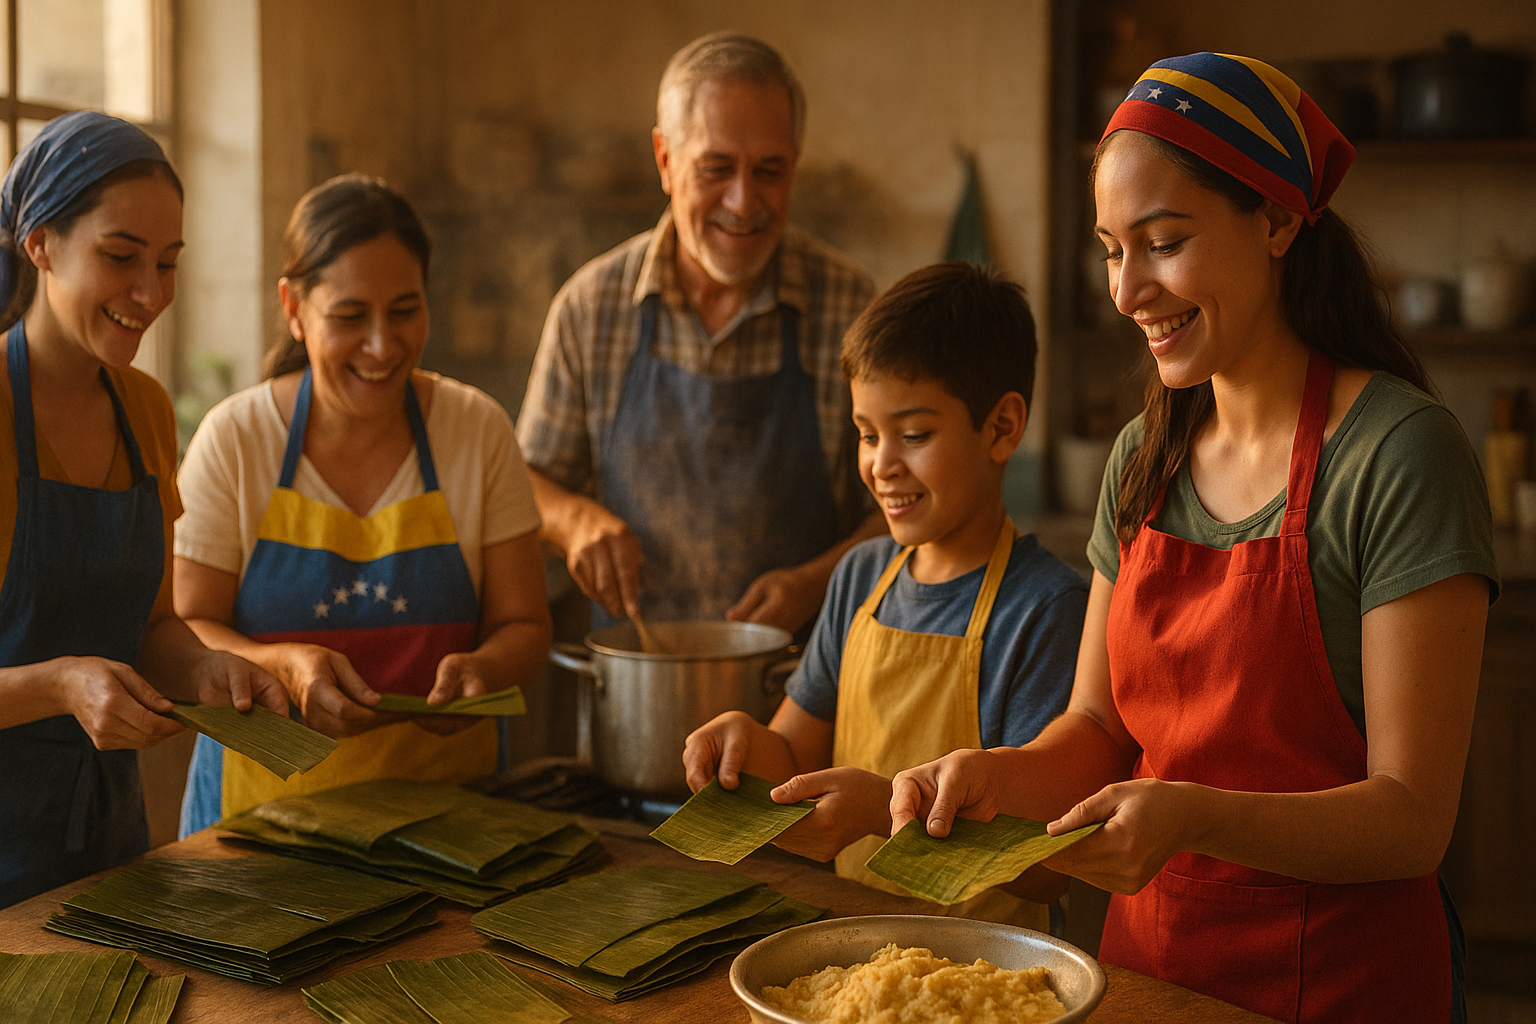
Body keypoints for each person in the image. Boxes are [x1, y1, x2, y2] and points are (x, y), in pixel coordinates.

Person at [890, 54, 1497, 1024]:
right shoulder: (1143, 457)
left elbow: (1412, 818)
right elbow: (1095, 732)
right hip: (1148, 981)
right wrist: (988, 774)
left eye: (1163, 242)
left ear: (1277, 220)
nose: (1129, 290)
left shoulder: (1399, 452)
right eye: (1110, 248)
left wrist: (1193, 814)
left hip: (1344, 989)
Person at [683, 262, 1087, 928]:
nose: (881, 464)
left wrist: (881, 811)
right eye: (867, 434)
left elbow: (1043, 869)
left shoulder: (1044, 608)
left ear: (1002, 428)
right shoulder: (861, 577)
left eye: (915, 435)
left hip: (987, 969)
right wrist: (742, 746)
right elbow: (790, 755)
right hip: (854, 942)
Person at [176, 174, 552, 833]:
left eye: (404, 311)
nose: (382, 345)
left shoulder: (476, 429)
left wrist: (485, 669)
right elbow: (186, 631)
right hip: (259, 826)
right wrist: (283, 667)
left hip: (447, 824)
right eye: (350, 317)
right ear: (293, 307)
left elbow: (525, 625)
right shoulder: (236, 440)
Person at [0, 112, 286, 908]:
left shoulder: (148, 409)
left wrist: (206, 668)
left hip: (111, 850)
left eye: (168, 264)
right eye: (120, 258)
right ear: (41, 244)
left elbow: (153, 627)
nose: (150, 294)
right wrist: (60, 685)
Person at [516, 32, 884, 636]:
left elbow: (904, 510)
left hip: (805, 692)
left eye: (769, 171)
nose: (743, 203)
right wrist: (573, 520)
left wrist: (818, 581)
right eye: (716, 169)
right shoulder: (592, 308)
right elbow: (524, 484)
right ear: (665, 160)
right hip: (637, 683)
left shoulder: (849, 307)